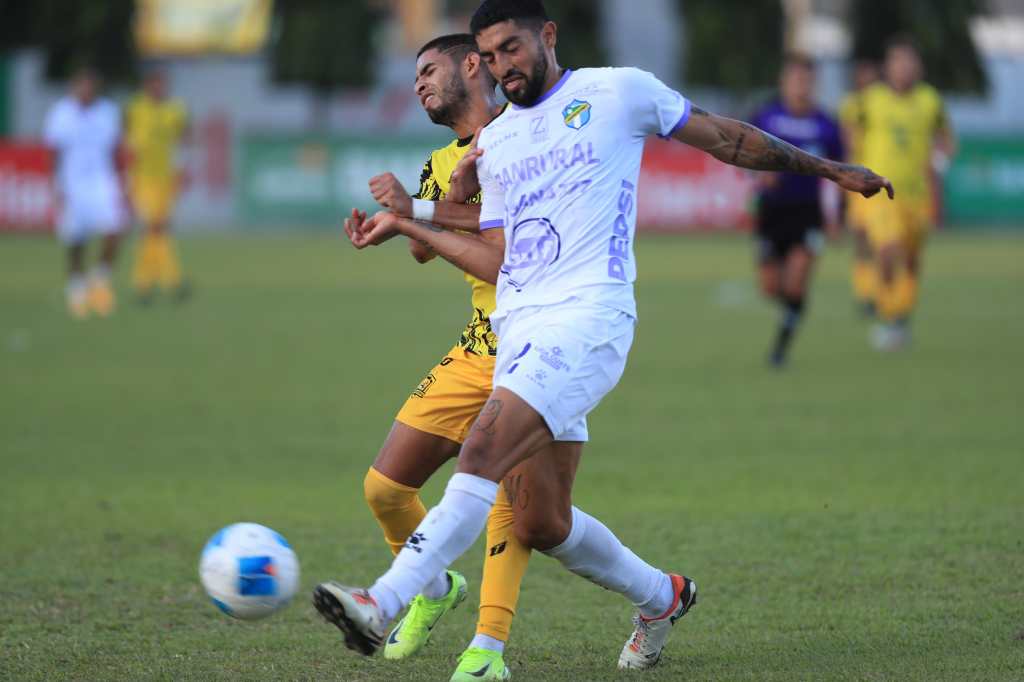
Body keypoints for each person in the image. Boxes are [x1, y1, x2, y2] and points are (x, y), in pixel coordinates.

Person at [314, 0, 893, 672]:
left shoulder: (618, 91)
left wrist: (828, 171)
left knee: (481, 452)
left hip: (590, 320)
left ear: (547, 35)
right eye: (492, 56)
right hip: (521, 330)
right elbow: (497, 256)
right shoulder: (495, 145)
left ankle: (381, 605)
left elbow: (729, 138)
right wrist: (414, 216)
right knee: (542, 523)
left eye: (511, 49)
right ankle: (661, 596)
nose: (504, 67)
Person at [340, 34, 525, 681]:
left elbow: (509, 227)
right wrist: (392, 222)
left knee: (510, 498)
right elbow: (424, 246)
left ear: (472, 65)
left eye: (429, 69)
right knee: (385, 488)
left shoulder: (525, 130)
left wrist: (425, 211)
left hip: (538, 344)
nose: (418, 83)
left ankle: (487, 649)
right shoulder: (440, 160)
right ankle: (434, 588)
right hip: (480, 343)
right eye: (414, 75)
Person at [854, 36, 955, 350]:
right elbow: (851, 132)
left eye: (909, 61)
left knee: (911, 260)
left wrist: (939, 162)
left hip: (917, 194)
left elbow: (946, 139)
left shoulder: (930, 101)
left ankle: (901, 317)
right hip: (882, 193)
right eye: (898, 61)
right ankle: (888, 314)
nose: (904, 68)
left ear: (918, 67)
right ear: (888, 67)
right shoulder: (871, 100)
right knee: (886, 249)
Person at [749, 54, 844, 367]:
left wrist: (837, 216)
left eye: (807, 81)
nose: (801, 87)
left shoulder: (826, 125)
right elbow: (740, 156)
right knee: (770, 287)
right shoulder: (766, 118)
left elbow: (840, 173)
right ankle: (793, 309)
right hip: (772, 212)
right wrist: (759, 173)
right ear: (783, 83)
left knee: (797, 278)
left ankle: (780, 350)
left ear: (815, 85)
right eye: (795, 80)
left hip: (808, 213)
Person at [44, 67, 126, 319]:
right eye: (82, 86)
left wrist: (120, 181)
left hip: (102, 181)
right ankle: (76, 289)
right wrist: (56, 186)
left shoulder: (107, 112)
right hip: (73, 183)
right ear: (74, 88)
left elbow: (114, 150)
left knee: (115, 229)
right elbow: (54, 153)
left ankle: (100, 280)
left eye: (91, 86)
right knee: (75, 240)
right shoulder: (61, 114)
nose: (87, 91)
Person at [125, 67, 190, 303]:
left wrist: (183, 172)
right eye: (156, 84)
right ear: (147, 86)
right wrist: (126, 178)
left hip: (167, 178)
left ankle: (145, 283)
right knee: (154, 228)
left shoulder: (175, 110)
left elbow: (183, 141)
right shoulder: (136, 108)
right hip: (143, 179)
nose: (160, 89)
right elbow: (127, 144)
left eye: (163, 84)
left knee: (158, 230)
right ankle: (170, 280)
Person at [839, 59, 882, 316]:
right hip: (856, 181)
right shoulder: (851, 106)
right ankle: (865, 293)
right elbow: (847, 141)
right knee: (862, 241)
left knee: (883, 242)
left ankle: (880, 291)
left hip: (878, 179)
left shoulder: (885, 104)